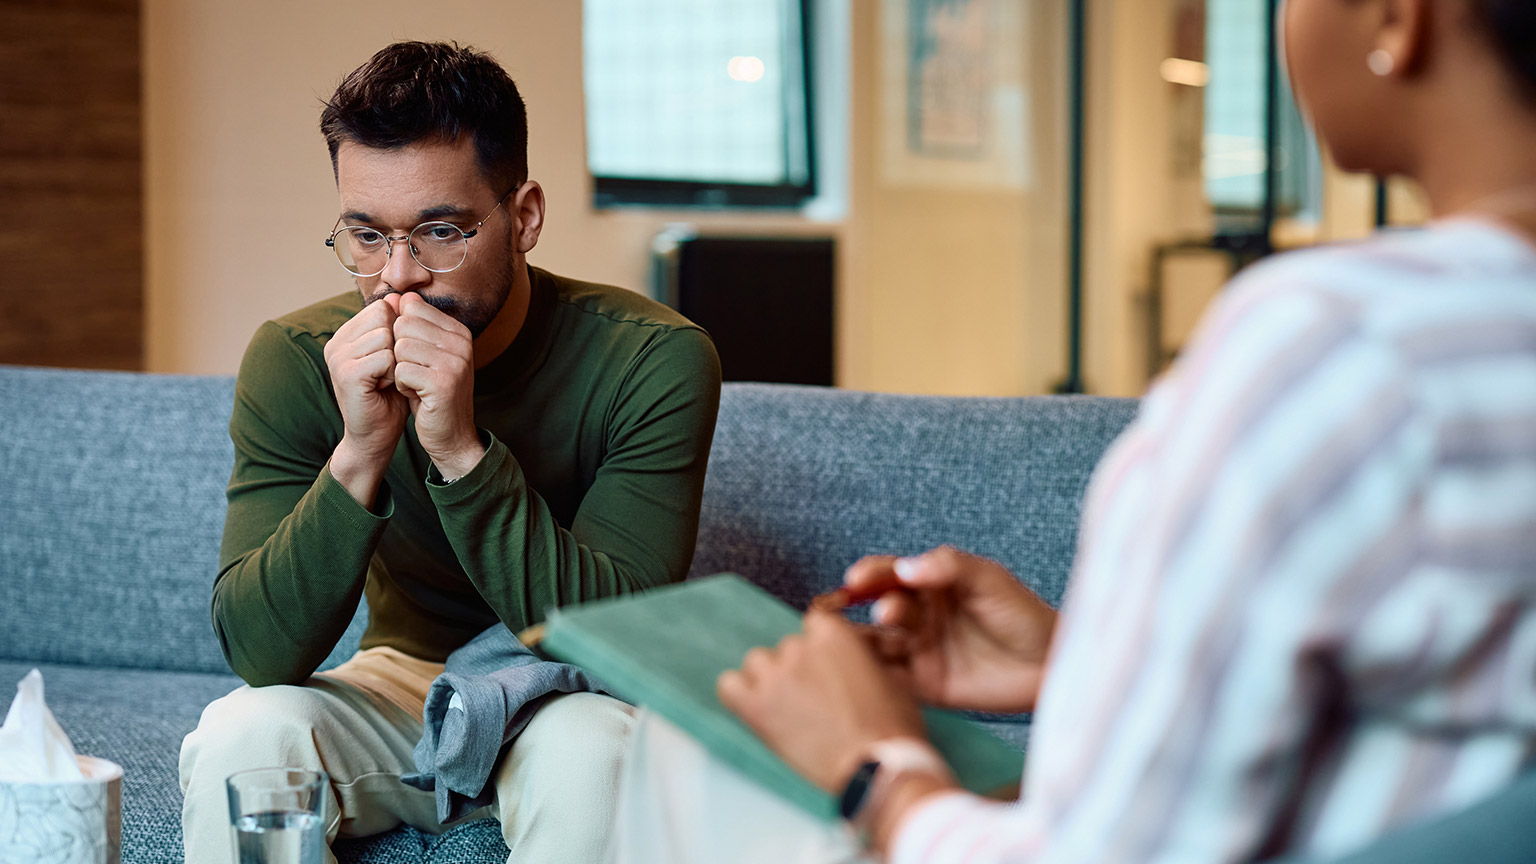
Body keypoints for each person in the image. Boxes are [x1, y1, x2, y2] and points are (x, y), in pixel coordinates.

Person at [611, 0, 1536, 861]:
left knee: (684, 741)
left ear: (1395, 16)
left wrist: (876, 768)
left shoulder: (1337, 347)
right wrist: (1081, 661)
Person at [177, 41, 722, 864]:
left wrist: (461, 449)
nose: (399, 278)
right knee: (241, 738)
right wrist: (361, 451)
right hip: (400, 680)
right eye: (366, 235)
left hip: (567, 696)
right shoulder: (297, 356)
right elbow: (261, 653)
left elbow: (617, 643)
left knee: (591, 757)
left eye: (440, 232)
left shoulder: (654, 358)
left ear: (525, 217)